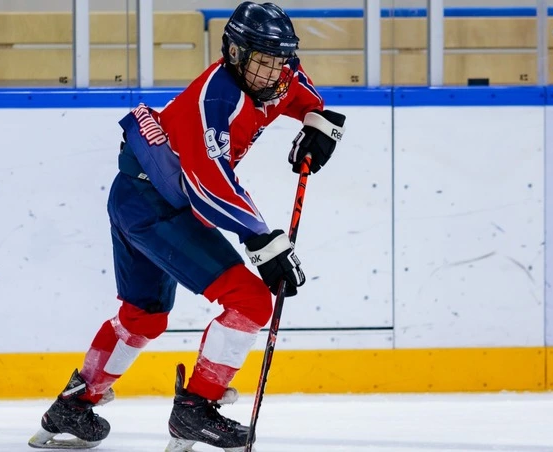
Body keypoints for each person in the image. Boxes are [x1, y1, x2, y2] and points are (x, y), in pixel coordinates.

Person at [27, 2, 346, 451]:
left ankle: (73, 406)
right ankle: (195, 408)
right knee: (251, 300)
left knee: (143, 316)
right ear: (234, 53)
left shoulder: (278, 74)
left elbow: (299, 90)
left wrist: (318, 121)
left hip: (136, 194)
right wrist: (261, 239)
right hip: (154, 204)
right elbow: (208, 185)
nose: (273, 73)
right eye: (262, 61)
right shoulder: (215, 100)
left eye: (280, 60)